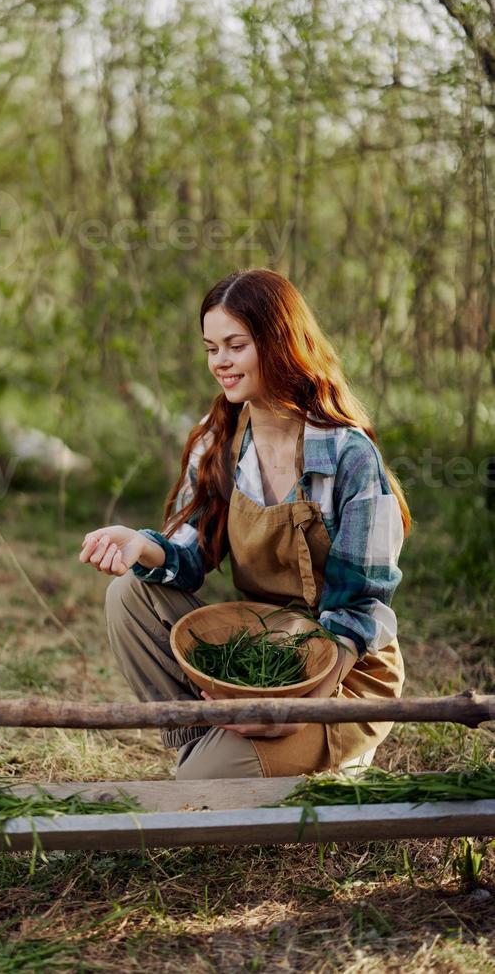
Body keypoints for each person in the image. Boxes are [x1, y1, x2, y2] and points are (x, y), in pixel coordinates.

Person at [79, 268, 409, 779]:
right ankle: (205, 740)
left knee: (200, 785)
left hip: (342, 673)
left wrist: (295, 709)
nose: (220, 363)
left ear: (279, 343)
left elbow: (360, 607)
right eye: (212, 348)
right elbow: (188, 560)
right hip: (258, 650)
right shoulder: (220, 442)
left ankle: (335, 752)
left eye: (235, 345)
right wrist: (140, 546)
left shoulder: (348, 454)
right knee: (128, 591)